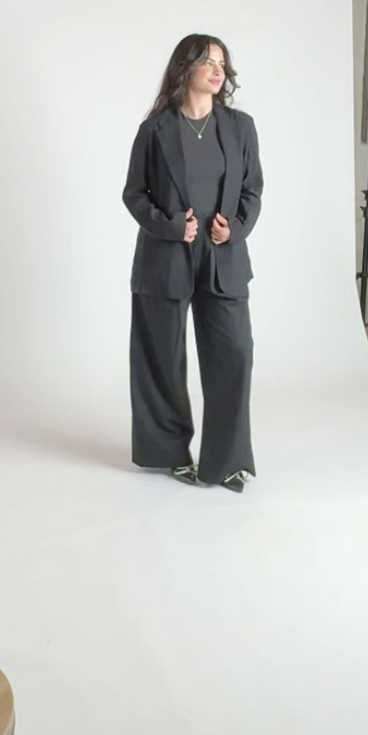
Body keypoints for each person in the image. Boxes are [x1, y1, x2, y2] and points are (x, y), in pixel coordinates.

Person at [123, 34, 263, 492]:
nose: (217, 69)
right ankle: (167, 452)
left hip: (222, 257)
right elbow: (134, 194)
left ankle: (227, 460)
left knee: (234, 354)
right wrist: (168, 225)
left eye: (222, 62)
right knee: (161, 357)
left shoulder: (241, 127)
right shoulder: (155, 129)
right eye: (207, 60)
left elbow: (252, 192)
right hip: (166, 258)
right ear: (186, 69)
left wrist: (235, 229)